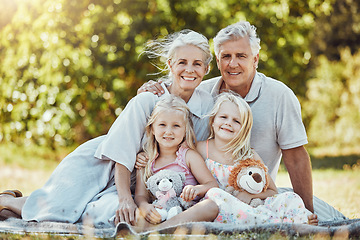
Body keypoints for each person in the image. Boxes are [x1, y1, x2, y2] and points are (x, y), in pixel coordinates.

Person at [0, 29, 215, 226]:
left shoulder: (207, 106)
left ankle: (17, 204)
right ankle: (8, 201)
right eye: (182, 62)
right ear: (170, 64)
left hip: (141, 179)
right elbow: (121, 151)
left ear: (206, 69)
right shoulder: (148, 99)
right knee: (57, 212)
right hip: (103, 164)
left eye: (197, 64)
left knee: (100, 215)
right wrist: (125, 199)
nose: (189, 69)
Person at [137, 21, 346, 221]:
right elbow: (172, 105)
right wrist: (153, 89)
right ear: (217, 62)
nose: (232, 63)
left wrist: (306, 211)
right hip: (204, 197)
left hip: (256, 194)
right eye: (226, 56)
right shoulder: (201, 91)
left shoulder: (279, 95)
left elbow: (296, 157)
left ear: (255, 59)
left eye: (241, 56)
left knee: (324, 215)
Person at [133, 92, 318, 232]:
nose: (228, 123)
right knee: (214, 195)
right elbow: (173, 156)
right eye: (223, 117)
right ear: (213, 121)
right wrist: (144, 156)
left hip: (248, 209)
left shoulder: (249, 155)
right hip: (217, 207)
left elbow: (272, 191)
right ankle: (161, 230)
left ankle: (294, 220)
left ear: (244, 128)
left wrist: (250, 196)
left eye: (236, 121)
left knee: (290, 197)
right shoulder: (198, 149)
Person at [134, 95, 218, 225]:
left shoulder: (188, 156)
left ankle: (163, 228)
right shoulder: (146, 160)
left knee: (211, 206)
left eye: (176, 126)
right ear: (152, 129)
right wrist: (145, 206)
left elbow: (212, 185)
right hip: (159, 213)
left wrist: (196, 189)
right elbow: (140, 195)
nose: (169, 131)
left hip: (186, 212)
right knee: (133, 213)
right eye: (162, 124)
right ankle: (163, 227)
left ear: (185, 131)